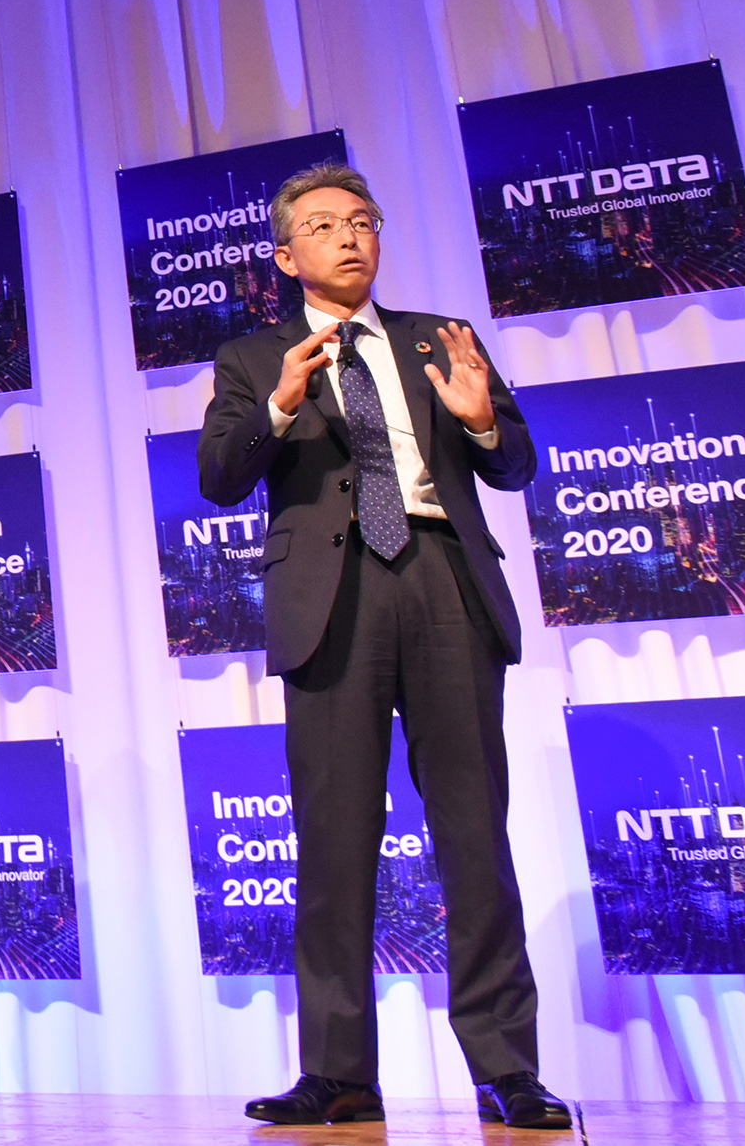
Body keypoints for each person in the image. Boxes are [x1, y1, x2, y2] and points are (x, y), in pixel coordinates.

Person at [197, 163, 569, 1130]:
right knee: (334, 841)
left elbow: (516, 464)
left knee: (474, 835)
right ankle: (338, 1072)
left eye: (363, 221)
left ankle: (507, 1068)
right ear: (287, 256)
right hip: (332, 599)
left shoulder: (441, 337)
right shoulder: (252, 355)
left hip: (444, 578)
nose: (350, 237)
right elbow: (219, 476)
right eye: (324, 225)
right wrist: (279, 405)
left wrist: (481, 419)